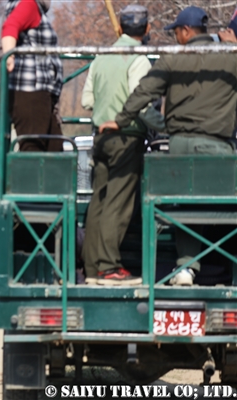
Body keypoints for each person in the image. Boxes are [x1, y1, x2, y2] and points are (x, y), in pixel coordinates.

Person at [99, 6, 237, 286]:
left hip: (180, 146)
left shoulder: (173, 58)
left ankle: (186, 267)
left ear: (186, 31)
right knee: (223, 208)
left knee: (185, 204)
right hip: (219, 149)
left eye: (176, 31)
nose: (175, 37)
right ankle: (223, 266)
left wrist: (121, 119)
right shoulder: (231, 58)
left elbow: (143, 92)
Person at [80, 5, 165, 286]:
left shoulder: (101, 58)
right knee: (118, 204)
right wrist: (166, 125)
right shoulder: (138, 59)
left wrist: (106, 108)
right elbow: (139, 105)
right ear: (147, 30)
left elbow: (87, 101)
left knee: (99, 202)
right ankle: (108, 268)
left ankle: (92, 269)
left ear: (121, 28)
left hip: (99, 138)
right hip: (126, 138)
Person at [1, 0, 64, 152]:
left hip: (39, 90)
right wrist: (9, 57)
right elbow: (10, 27)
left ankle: (55, 176)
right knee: (32, 148)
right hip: (29, 90)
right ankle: (25, 176)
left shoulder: (30, 6)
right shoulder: (28, 3)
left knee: (55, 147)